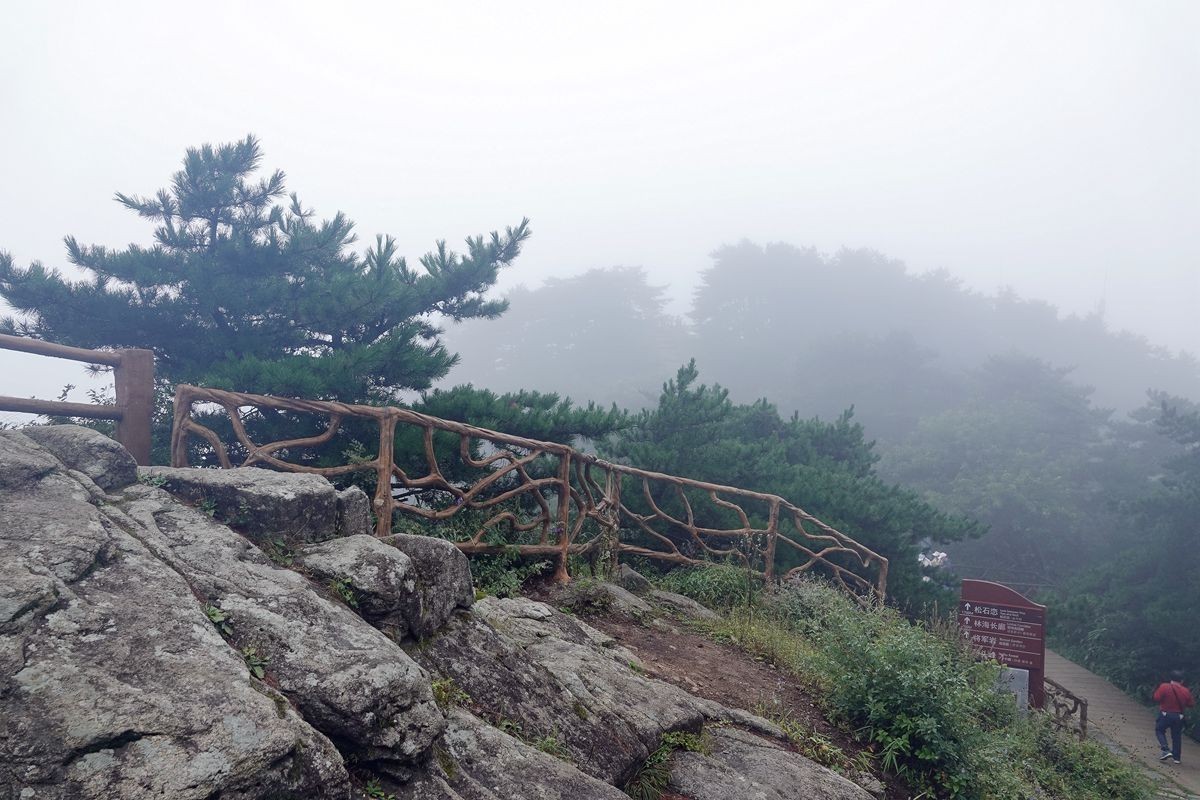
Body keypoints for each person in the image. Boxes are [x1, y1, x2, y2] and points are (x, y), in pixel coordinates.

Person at [1153, 670, 1195, 764]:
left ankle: (1165, 749)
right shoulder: (1185, 690)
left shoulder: (1164, 686)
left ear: (1170, 678)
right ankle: (1177, 758)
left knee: (1159, 730)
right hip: (1178, 716)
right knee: (1176, 736)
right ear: (1182, 680)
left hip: (1165, 714)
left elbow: (1156, 698)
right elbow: (1191, 704)